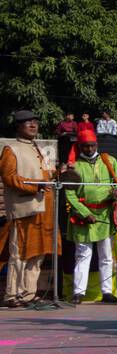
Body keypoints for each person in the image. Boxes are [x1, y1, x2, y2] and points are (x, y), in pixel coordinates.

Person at [64, 124, 117, 304]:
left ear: (97, 145)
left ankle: (107, 292)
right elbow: (69, 193)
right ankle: (78, 293)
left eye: (92, 145)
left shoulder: (108, 160)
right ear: (80, 146)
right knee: (83, 255)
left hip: (105, 214)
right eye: (86, 146)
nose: (90, 149)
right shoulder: (74, 167)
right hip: (83, 217)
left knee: (107, 256)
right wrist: (84, 213)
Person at [1, 111, 54, 307]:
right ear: (18, 127)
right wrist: (35, 186)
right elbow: (9, 178)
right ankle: (12, 295)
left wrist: (59, 172)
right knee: (19, 253)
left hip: (43, 208)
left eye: (35, 122)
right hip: (24, 208)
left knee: (37, 253)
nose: (32, 125)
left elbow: (46, 175)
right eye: (27, 123)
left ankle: (28, 294)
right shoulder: (11, 149)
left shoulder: (39, 149)